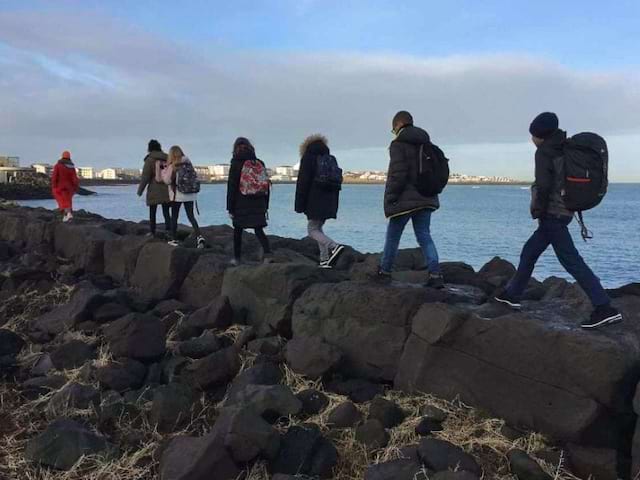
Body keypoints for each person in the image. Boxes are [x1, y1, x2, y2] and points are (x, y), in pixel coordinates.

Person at [494, 112, 623, 329]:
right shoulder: (564, 146)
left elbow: (544, 186)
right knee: (530, 252)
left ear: (539, 135)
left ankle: (604, 308)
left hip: (552, 214)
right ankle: (512, 294)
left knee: (571, 260)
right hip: (564, 212)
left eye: (532, 135)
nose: (531, 139)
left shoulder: (545, 152)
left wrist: (538, 210)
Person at [378, 111, 444, 288]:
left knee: (393, 235)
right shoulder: (426, 143)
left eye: (393, 129)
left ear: (398, 125)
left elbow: (397, 174)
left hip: (404, 200)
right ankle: (435, 274)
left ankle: (385, 271)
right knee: (424, 235)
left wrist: (390, 198)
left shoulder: (398, 145)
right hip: (427, 197)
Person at [295, 134, 345, 268]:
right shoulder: (328, 158)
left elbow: (303, 183)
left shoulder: (308, 158)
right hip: (330, 200)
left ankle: (334, 247)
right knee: (318, 228)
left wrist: (299, 205)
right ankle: (324, 260)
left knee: (312, 230)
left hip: (314, 200)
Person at [226, 137, 272, 265]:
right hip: (259, 202)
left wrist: (230, 207)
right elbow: (266, 186)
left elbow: (232, 187)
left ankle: (237, 258)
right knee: (258, 229)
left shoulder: (236, 163)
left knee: (238, 231)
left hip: (241, 203)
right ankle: (268, 254)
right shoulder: (259, 163)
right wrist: (266, 206)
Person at [166, 145, 205, 248]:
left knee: (174, 216)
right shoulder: (188, 164)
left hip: (177, 195)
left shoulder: (173, 166)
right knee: (191, 216)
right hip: (190, 194)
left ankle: (173, 239)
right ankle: (199, 237)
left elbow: (167, 181)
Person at [137, 139, 172, 237]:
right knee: (166, 211)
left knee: (153, 211)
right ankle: (169, 231)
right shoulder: (167, 158)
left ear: (149, 148)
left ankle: (152, 231)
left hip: (154, 189)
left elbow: (145, 177)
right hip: (166, 188)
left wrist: (140, 190)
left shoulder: (150, 160)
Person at [51, 150, 79, 222]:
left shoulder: (58, 166)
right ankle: (68, 215)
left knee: (62, 201)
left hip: (60, 187)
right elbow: (75, 179)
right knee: (68, 201)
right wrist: (75, 188)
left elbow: (54, 177)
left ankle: (67, 214)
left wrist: (54, 186)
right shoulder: (72, 167)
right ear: (69, 157)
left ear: (62, 157)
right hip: (70, 188)